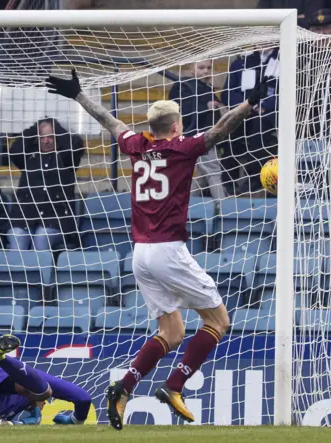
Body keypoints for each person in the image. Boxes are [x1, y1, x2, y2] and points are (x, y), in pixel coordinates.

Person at [46, 69, 267, 429]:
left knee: (173, 333)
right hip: (168, 250)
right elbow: (220, 130)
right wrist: (248, 103)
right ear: (177, 126)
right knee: (218, 320)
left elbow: (110, 120)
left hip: (140, 255)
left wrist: (78, 95)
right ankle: (174, 385)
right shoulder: (183, 149)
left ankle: (123, 386)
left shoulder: (136, 145)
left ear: (151, 126)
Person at [7, 118, 83, 251]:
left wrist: (56, 126)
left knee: (42, 237)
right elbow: (14, 150)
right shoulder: (30, 158)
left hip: (55, 220)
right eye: (42, 137)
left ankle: (40, 272)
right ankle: (18, 271)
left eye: (51, 137)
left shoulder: (65, 159)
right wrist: (36, 127)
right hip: (25, 218)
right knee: (17, 235)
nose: (46, 141)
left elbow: (76, 145)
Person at [168, 61, 229, 200]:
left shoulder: (208, 88)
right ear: (191, 69)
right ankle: (224, 207)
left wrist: (222, 108)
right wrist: (205, 107)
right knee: (213, 171)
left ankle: (185, 204)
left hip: (208, 136)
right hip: (193, 136)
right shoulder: (183, 86)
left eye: (208, 68)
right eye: (201, 68)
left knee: (203, 177)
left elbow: (216, 108)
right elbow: (179, 110)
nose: (206, 71)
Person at [221, 47, 278, 193]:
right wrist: (245, 106)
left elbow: (289, 90)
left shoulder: (284, 58)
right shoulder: (241, 62)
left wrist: (265, 106)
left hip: (271, 114)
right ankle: (228, 182)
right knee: (230, 125)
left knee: (259, 126)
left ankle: (255, 179)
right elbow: (227, 93)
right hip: (244, 110)